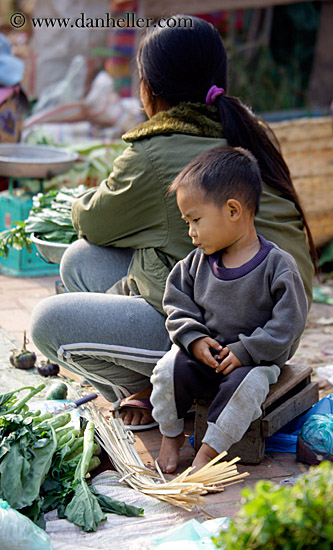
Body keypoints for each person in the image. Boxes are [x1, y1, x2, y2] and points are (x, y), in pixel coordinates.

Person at [30, 15, 315, 429]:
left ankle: (150, 396)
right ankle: (152, 388)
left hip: (230, 339)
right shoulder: (250, 128)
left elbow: (94, 221)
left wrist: (83, 200)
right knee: (80, 260)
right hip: (278, 321)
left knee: (46, 322)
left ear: (148, 88)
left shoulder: (156, 150)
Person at [150, 146, 308, 473]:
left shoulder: (278, 267)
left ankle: (209, 451)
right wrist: (194, 340)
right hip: (206, 356)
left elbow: (287, 325)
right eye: (187, 222)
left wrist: (247, 350)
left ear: (233, 210)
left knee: (246, 389)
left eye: (195, 220)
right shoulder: (196, 264)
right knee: (167, 369)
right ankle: (171, 435)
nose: (190, 231)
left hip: (253, 362)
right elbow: (177, 303)